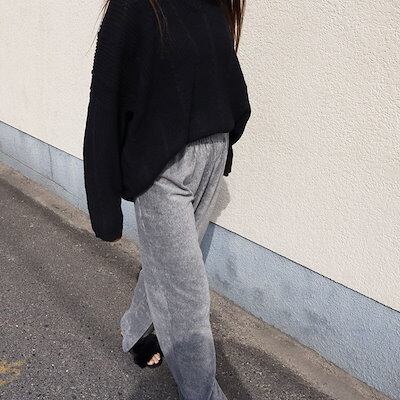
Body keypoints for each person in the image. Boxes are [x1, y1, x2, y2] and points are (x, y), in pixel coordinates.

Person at [83, 0, 251, 398]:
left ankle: (134, 330)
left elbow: (225, 79)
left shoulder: (210, 6)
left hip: (210, 160)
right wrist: (105, 209)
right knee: (187, 298)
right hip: (163, 173)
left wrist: (226, 136)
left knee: (168, 273)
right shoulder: (134, 7)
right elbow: (105, 103)